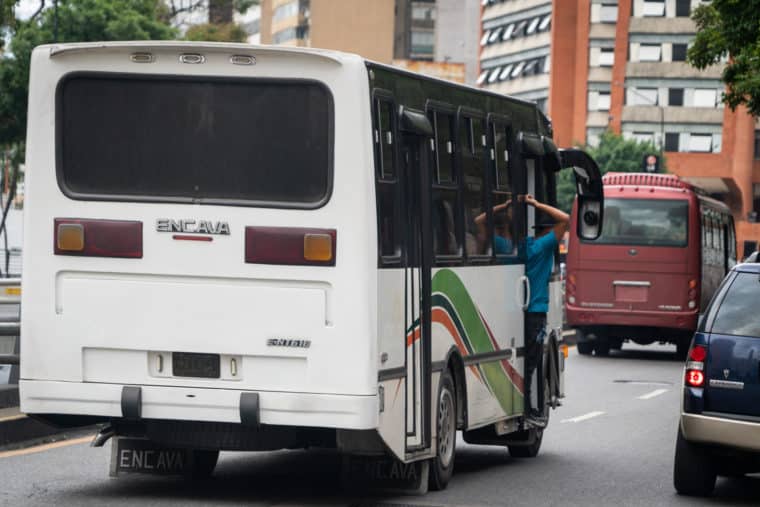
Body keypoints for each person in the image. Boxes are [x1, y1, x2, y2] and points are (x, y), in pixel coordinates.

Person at [519, 193, 570, 427]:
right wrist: (537, 203)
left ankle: (525, 407)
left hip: (516, 309)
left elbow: (479, 222)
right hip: (536, 311)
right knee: (531, 362)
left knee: (523, 360)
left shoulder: (523, 246)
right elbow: (566, 220)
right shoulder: (545, 245)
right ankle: (528, 409)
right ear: (547, 232)